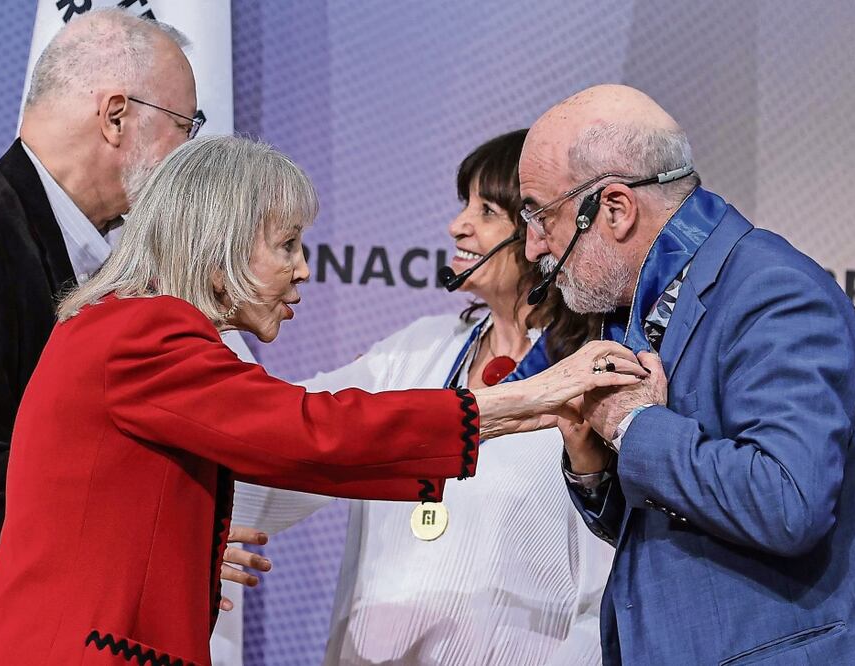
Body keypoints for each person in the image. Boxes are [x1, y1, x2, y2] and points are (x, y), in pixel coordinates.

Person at [0, 134, 643, 665]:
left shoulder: (124, 325)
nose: (304, 268)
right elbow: (303, 430)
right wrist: (523, 402)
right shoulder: (145, 330)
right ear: (220, 243)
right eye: (287, 244)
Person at [0, 10, 265, 665]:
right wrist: (148, 539)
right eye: (184, 126)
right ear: (115, 116)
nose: (186, 156)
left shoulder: (73, 245)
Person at [520, 84, 855, 665]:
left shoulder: (772, 292)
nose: (534, 244)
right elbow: (672, 526)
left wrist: (633, 426)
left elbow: (786, 503)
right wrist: (592, 463)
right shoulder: (646, 308)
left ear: (614, 208)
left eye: (539, 214)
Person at [229, 129, 611, 665]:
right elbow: (288, 434)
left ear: (540, 232)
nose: (458, 225)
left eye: (486, 211)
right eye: (464, 205)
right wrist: (197, 514)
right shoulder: (416, 353)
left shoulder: (589, 378)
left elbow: (609, 575)